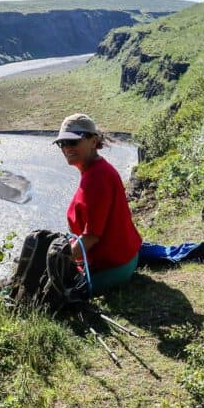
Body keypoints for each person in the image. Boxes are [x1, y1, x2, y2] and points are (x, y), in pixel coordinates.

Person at [54, 113, 142, 296]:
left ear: (93, 142)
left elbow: (91, 238)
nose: (66, 148)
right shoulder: (95, 171)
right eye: (62, 143)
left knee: (52, 293)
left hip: (112, 266)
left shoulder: (97, 178)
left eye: (72, 142)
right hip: (122, 258)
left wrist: (59, 261)